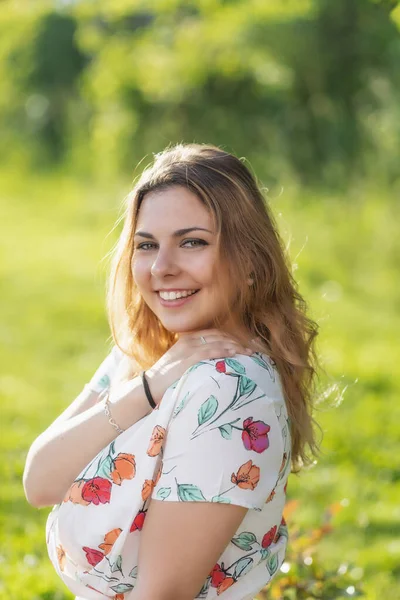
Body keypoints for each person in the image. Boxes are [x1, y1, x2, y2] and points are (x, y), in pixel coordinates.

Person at [23, 143, 320, 600]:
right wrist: (150, 384)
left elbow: (162, 595)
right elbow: (40, 480)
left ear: (251, 264)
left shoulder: (229, 389)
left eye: (192, 242)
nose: (162, 267)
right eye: (147, 245)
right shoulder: (151, 352)